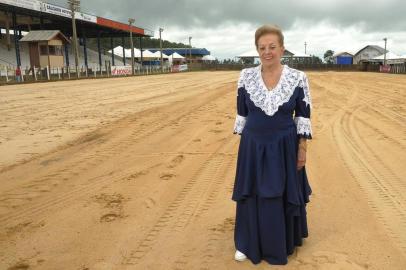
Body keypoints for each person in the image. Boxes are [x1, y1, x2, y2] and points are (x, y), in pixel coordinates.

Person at [232, 24, 313, 265]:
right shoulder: (245, 76)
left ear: (282, 48)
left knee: (279, 192)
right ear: (257, 50)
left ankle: (280, 242)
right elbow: (242, 114)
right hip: (253, 145)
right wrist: (247, 153)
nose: (267, 52)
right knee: (252, 193)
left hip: (284, 146)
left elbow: (303, 116)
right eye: (262, 48)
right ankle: (247, 242)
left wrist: (302, 150)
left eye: (272, 47)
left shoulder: (298, 78)